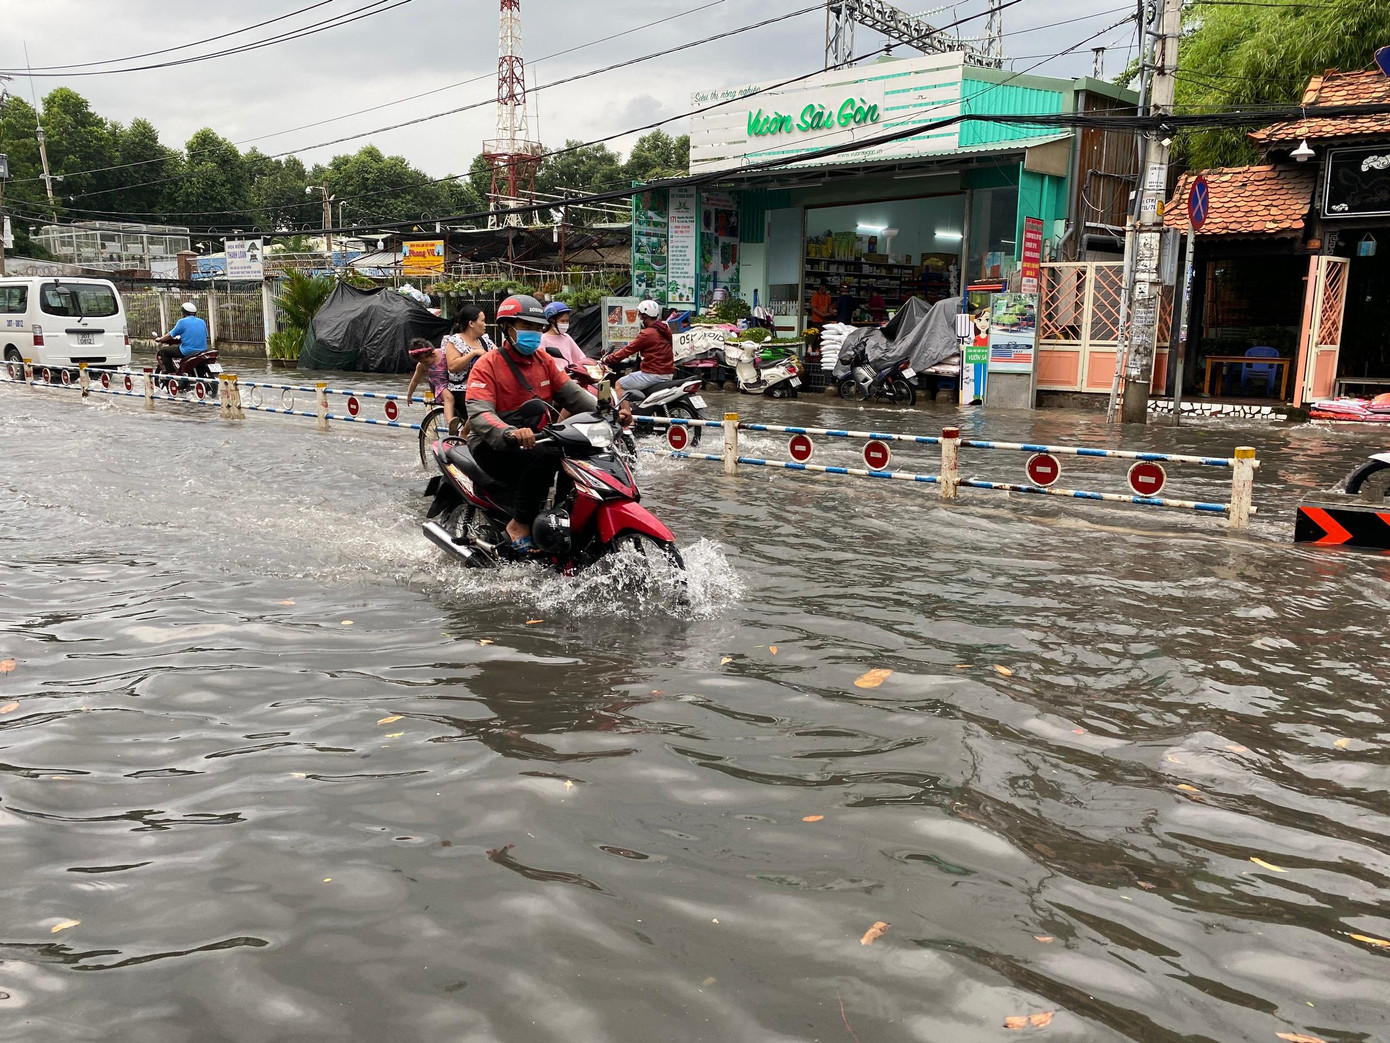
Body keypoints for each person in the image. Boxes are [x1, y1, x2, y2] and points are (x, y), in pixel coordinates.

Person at [465, 294, 631, 553]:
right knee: (545, 455)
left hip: (537, 435)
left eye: (536, 328)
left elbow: (573, 395)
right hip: (493, 444)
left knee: (578, 452)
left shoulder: (544, 361)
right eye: (526, 327)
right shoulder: (488, 365)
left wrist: (612, 412)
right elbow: (479, 412)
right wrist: (509, 431)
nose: (533, 333)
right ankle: (519, 524)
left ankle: (563, 518)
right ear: (508, 329)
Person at [600, 299, 673, 394]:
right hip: (667, 373)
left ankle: (625, 409)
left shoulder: (647, 333)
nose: (640, 319)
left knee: (619, 384)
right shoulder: (665, 329)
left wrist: (607, 359)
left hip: (653, 374)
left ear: (645, 315)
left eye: (640, 315)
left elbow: (628, 350)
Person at [443, 306, 492, 434]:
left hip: (484, 386)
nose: (485, 325)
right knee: (481, 409)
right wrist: (473, 353)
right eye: (482, 321)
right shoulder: (455, 341)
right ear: (471, 323)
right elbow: (452, 366)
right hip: (462, 389)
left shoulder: (485, 340)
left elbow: (498, 357)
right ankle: (464, 434)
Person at [404, 337, 450, 423]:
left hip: (452, 381)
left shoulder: (443, 354)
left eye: (426, 361)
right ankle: (450, 422)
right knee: (448, 397)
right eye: (422, 362)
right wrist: (409, 395)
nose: (425, 363)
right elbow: (415, 381)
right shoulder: (421, 365)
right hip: (440, 386)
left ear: (433, 354)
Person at [155, 301, 208, 372]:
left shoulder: (182, 322)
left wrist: (160, 339)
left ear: (183, 313)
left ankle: (170, 373)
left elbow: (170, 335)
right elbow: (205, 335)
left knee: (163, 351)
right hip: (202, 351)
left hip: (187, 351)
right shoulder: (202, 321)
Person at [540, 301, 591, 371]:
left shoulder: (566, 337)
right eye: (562, 321)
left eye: (567, 321)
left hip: (570, 376)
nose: (565, 324)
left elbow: (581, 358)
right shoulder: (543, 339)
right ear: (552, 321)